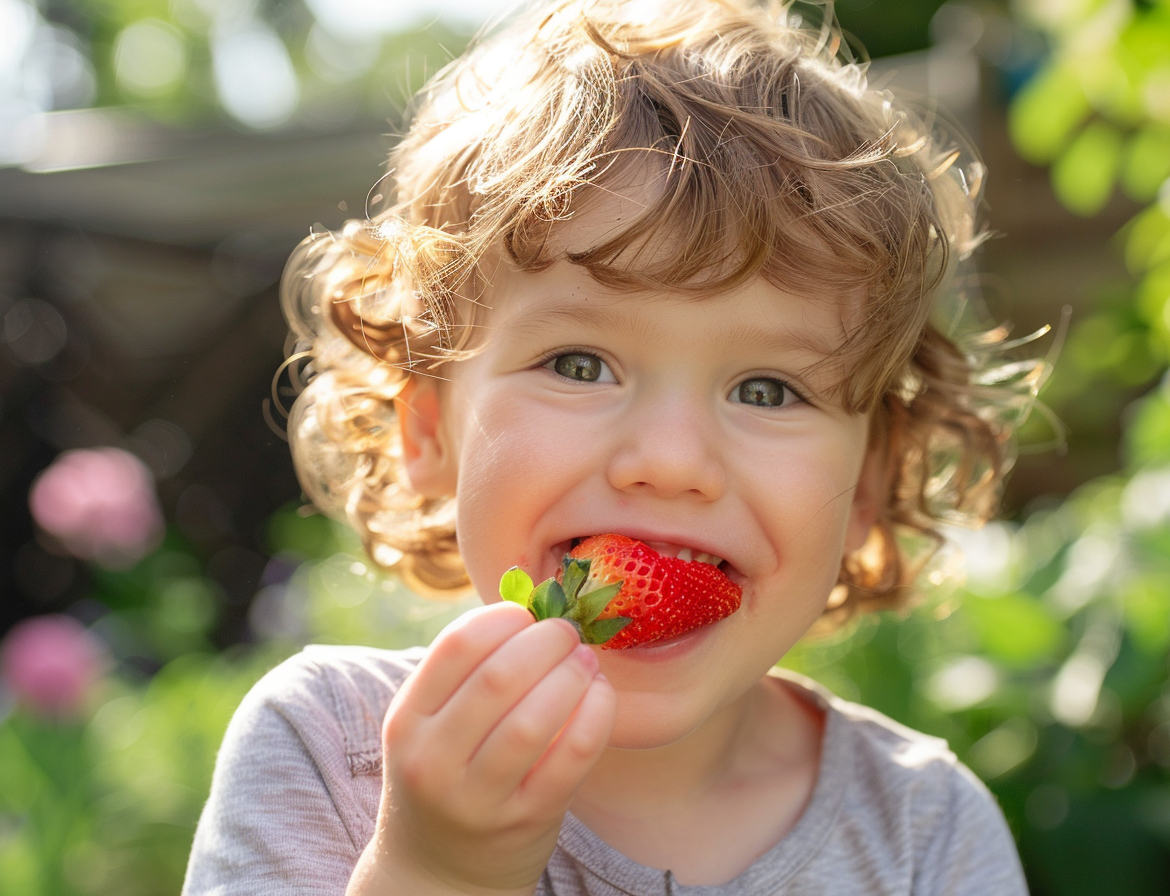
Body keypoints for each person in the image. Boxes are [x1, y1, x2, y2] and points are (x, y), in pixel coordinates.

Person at [184, 0, 1034, 893]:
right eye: (580, 364)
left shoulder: (926, 831)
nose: (669, 460)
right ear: (429, 426)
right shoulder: (332, 757)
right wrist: (439, 869)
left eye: (767, 389)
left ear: (872, 476)